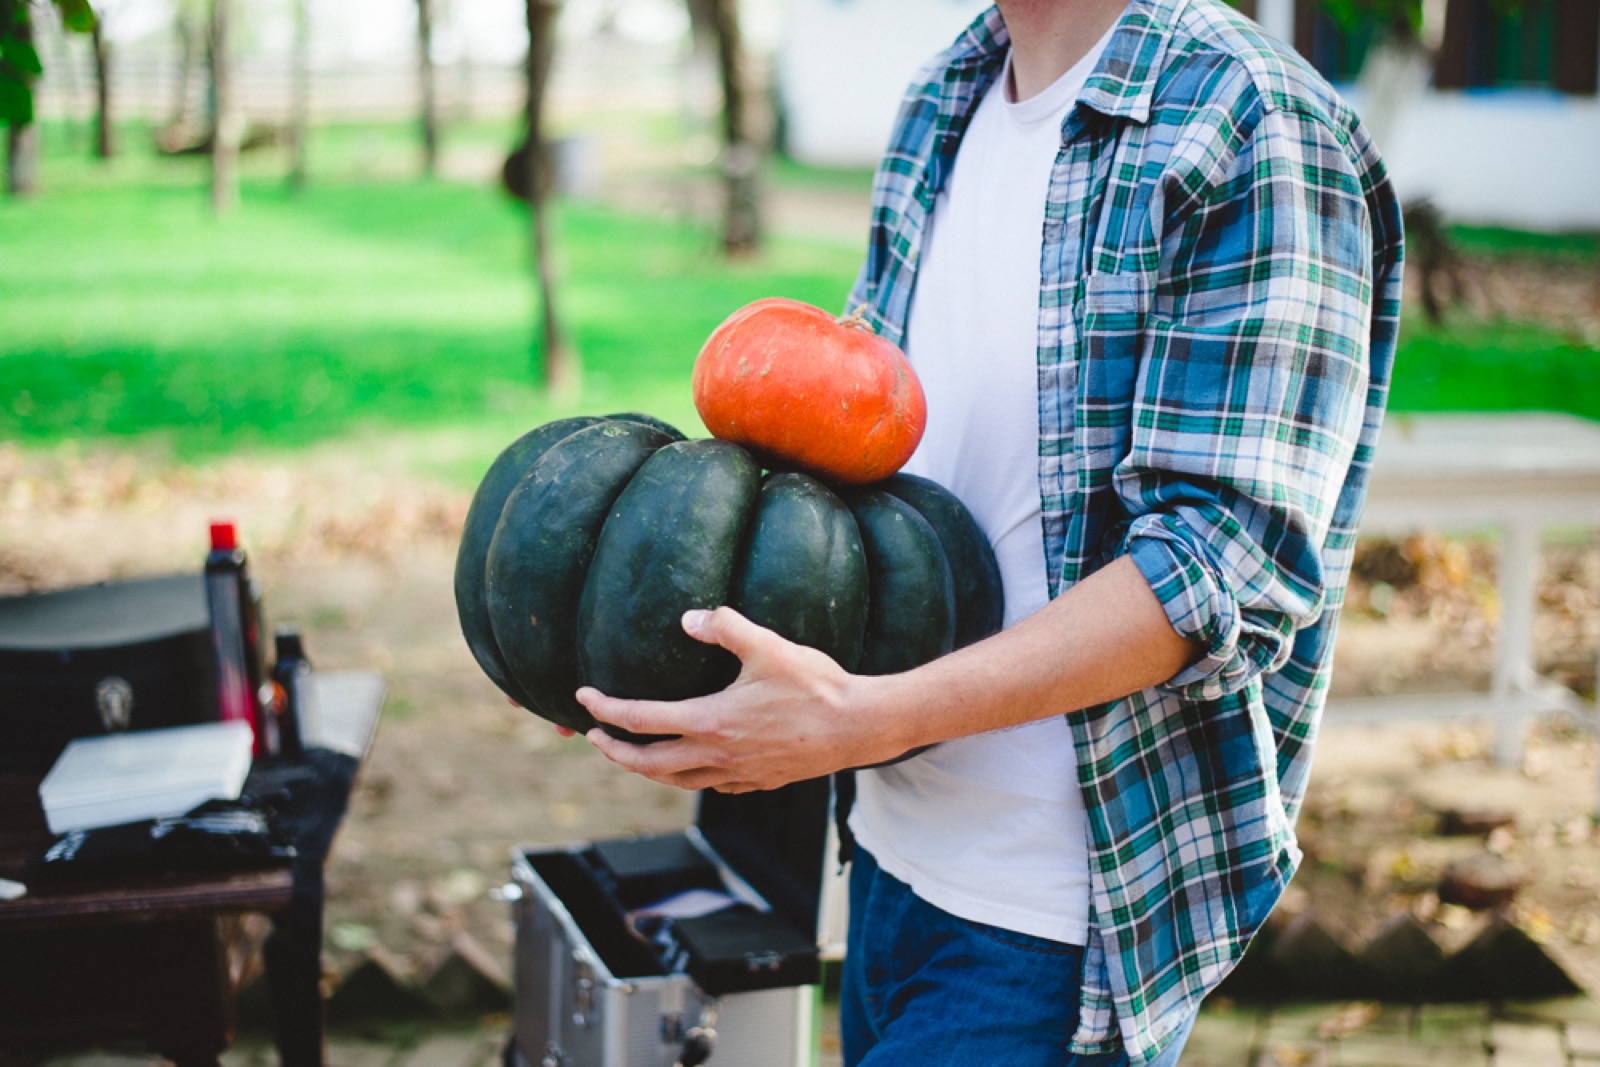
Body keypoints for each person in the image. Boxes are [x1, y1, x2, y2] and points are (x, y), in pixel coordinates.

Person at [576, 0, 1405, 1062]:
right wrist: (634, 642)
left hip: (1054, 917)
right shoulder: (946, 93)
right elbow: (859, 479)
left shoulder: (1250, 121)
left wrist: (866, 719)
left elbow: (1218, 567)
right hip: (889, 857)